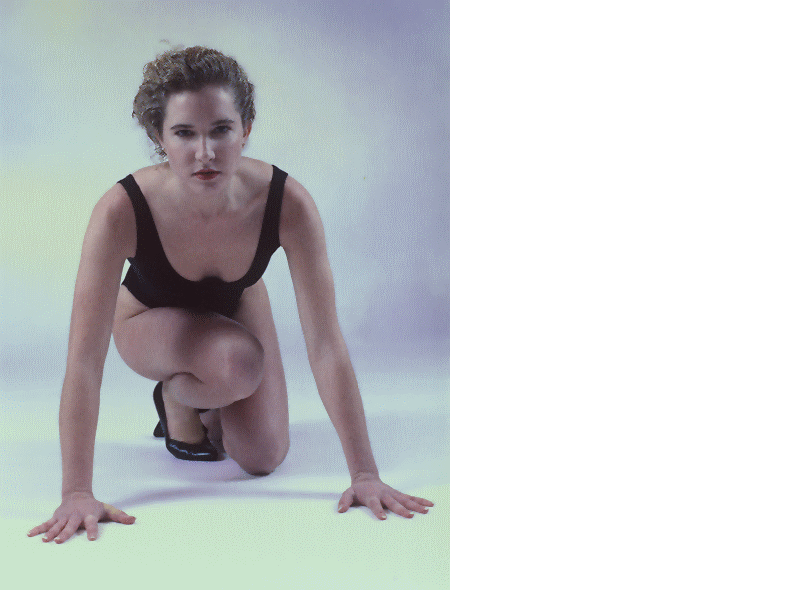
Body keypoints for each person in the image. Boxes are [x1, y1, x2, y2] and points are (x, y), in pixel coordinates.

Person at [27, 46, 433, 544]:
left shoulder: (286, 202)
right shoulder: (121, 209)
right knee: (237, 361)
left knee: (263, 457)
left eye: (220, 129)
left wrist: (365, 473)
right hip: (147, 319)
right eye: (184, 133)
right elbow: (84, 362)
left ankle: (200, 397)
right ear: (158, 138)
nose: (205, 153)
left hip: (236, 302)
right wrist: (76, 492)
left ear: (246, 129)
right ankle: (176, 397)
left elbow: (326, 344)